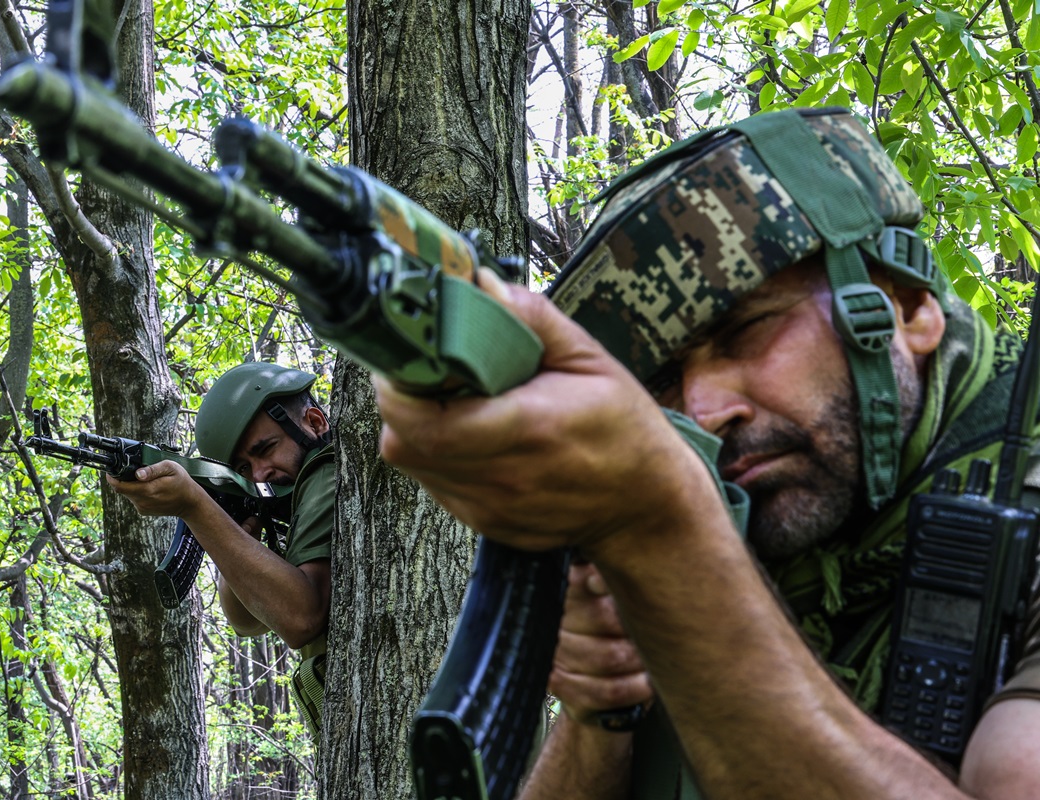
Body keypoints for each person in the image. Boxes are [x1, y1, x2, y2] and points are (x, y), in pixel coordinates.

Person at [373, 107, 1040, 798]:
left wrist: (668, 541)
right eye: (660, 381)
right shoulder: (745, 519)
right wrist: (607, 705)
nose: (703, 411)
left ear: (905, 309)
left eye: (745, 331)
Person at [108, 362, 334, 738]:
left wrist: (196, 508)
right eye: (243, 468)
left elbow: (299, 619)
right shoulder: (290, 499)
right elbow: (247, 620)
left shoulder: (322, 470)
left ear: (314, 422)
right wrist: (236, 527)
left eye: (266, 450)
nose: (259, 474)